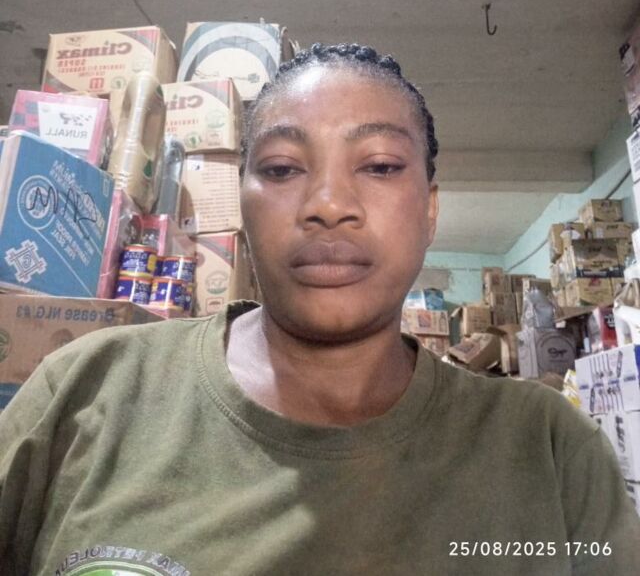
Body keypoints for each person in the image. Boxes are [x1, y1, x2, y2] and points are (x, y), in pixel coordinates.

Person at [0, 42, 638, 576]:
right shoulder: (85, 393)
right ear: (243, 201)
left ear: (430, 210)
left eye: (380, 166)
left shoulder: (548, 448)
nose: (329, 204)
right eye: (282, 169)